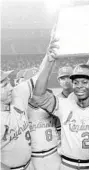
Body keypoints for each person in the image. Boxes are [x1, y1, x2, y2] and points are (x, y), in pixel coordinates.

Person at [29, 37, 89, 170]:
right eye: (76, 82)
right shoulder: (64, 105)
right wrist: (50, 62)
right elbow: (38, 96)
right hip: (68, 165)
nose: (79, 86)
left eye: (85, 82)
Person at [0, 38, 58, 170]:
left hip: (30, 165)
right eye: (3, 85)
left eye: (8, 82)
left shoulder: (17, 93)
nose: (10, 88)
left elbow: (38, 77)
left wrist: (48, 58)